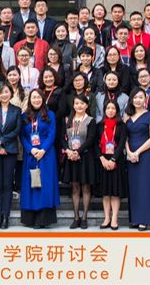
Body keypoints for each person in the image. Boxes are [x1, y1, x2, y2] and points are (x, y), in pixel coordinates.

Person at [19, 89, 59, 229]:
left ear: (43, 99)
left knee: (45, 185)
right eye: (33, 97)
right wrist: (31, 149)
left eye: (38, 97)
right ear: (30, 100)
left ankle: (43, 219)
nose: (36, 100)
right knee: (31, 184)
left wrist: (43, 149)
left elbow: (52, 134)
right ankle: (31, 218)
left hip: (46, 154)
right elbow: (22, 136)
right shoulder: (24, 116)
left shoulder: (50, 114)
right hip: (31, 154)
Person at [0, 83, 22, 229]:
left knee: (7, 184)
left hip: (10, 150)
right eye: (1, 92)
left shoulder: (17, 110)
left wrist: (2, 141)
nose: (4, 95)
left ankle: (5, 216)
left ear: (11, 93)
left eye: (6, 92)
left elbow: (17, 130)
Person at [124, 87, 150, 231]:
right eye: (135, 97)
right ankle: (135, 219)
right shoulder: (127, 116)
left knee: (145, 187)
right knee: (134, 187)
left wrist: (137, 152)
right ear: (131, 99)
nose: (138, 100)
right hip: (130, 155)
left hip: (145, 155)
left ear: (145, 99)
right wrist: (129, 152)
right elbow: (124, 137)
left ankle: (144, 219)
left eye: (140, 97)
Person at [61, 94, 96, 229]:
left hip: (85, 157)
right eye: (76, 103)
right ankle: (76, 217)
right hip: (71, 157)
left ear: (86, 105)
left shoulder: (90, 120)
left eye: (82, 103)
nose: (79, 106)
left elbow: (91, 139)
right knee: (75, 187)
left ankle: (85, 217)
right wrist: (68, 151)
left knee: (86, 187)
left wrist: (78, 152)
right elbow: (62, 138)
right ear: (73, 105)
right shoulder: (68, 120)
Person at [96, 99, 127, 230]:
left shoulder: (121, 125)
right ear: (104, 110)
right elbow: (95, 144)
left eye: (113, 108)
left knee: (115, 191)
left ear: (117, 110)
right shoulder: (99, 125)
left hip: (117, 161)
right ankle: (106, 218)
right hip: (103, 161)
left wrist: (113, 159)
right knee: (105, 191)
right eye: (108, 108)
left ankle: (114, 218)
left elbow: (121, 144)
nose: (110, 111)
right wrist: (102, 159)